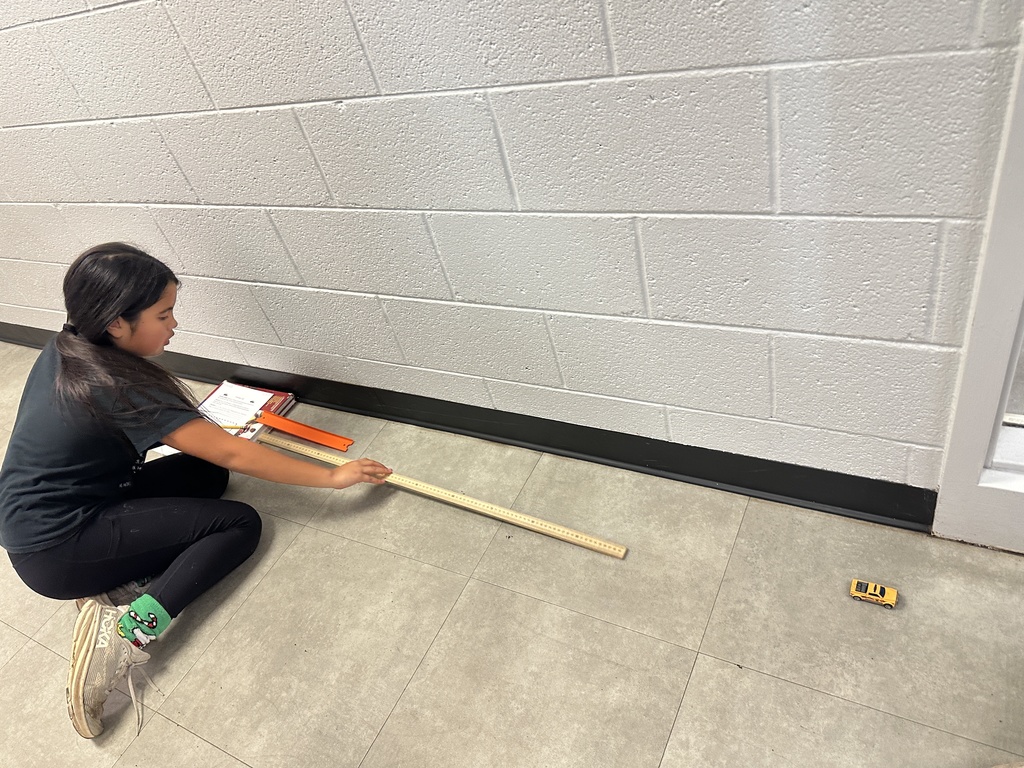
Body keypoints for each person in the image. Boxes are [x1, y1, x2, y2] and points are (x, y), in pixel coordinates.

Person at [0, 243, 392, 739]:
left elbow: (216, 458)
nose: (174, 325)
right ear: (117, 323)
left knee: (207, 477)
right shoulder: (119, 386)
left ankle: (111, 578)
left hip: (69, 507)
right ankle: (123, 635)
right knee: (239, 524)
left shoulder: (69, 345)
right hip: (55, 549)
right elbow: (234, 451)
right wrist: (335, 477)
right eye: (164, 315)